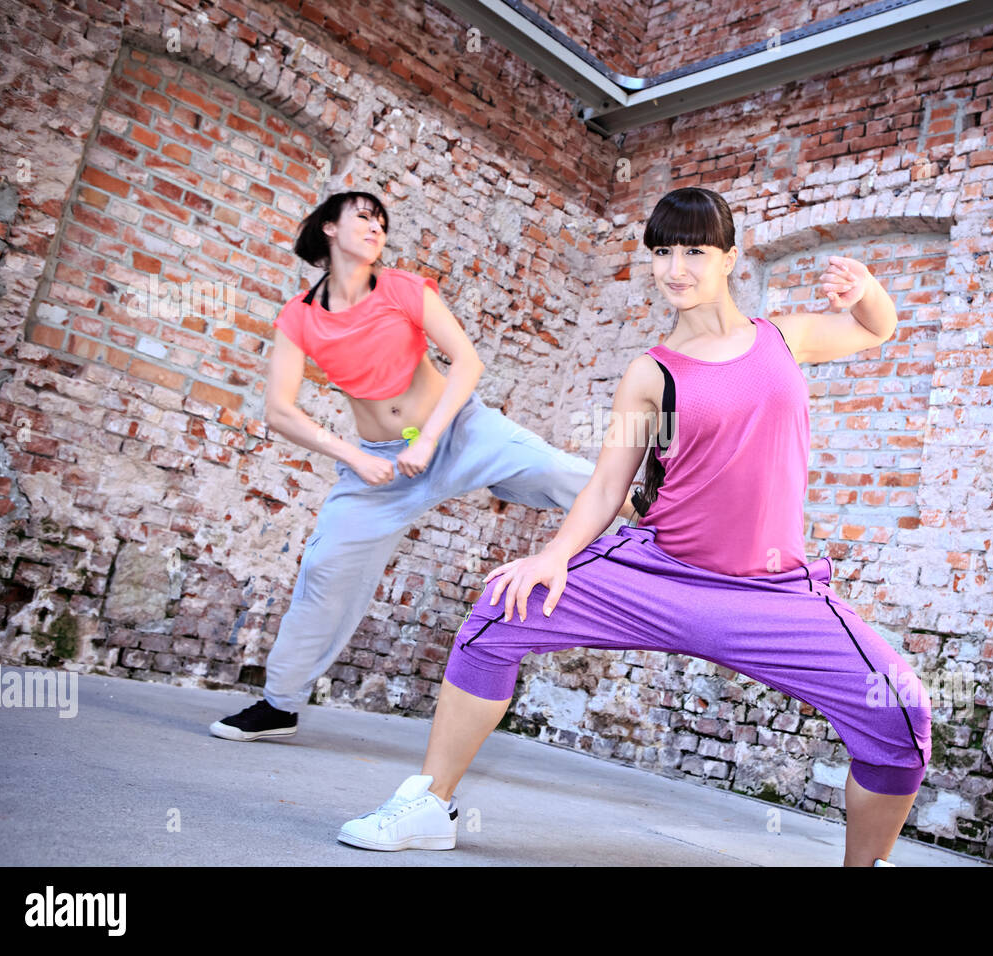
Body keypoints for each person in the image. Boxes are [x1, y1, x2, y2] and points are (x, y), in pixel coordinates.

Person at [335, 187, 933, 867]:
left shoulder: (783, 339)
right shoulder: (650, 374)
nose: (676, 267)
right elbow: (606, 486)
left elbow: (875, 329)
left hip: (771, 596)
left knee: (900, 713)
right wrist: (554, 555)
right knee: (498, 612)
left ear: (730, 258)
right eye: (663, 252)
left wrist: (866, 292)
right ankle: (427, 804)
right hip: (659, 572)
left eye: (695, 251)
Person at [210, 191, 632, 743]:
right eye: (362, 216)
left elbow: (468, 361)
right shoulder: (302, 317)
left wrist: (430, 438)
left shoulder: (404, 288)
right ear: (329, 230)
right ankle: (279, 705)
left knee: (565, 474)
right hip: (380, 469)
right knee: (325, 572)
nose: (375, 226)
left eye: (382, 220)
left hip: (460, 433)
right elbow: (280, 411)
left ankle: (675, 521)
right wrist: (354, 456)